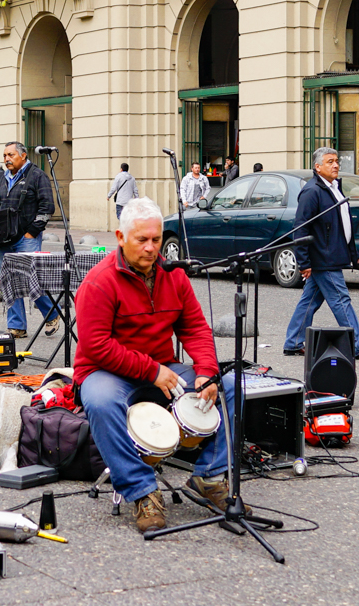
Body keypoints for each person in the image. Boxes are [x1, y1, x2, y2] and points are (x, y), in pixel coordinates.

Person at [73, 197, 239, 532]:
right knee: (101, 401)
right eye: (142, 240)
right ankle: (142, 491)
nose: (151, 248)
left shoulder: (173, 277)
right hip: (106, 372)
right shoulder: (99, 281)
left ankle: (208, 477)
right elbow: (96, 345)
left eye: (157, 240)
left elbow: (194, 328)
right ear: (120, 237)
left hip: (161, 368)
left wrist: (206, 371)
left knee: (230, 386)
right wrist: (151, 370)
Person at [282, 147, 359, 360]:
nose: (336, 165)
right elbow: (301, 228)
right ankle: (358, 344)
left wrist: (351, 251)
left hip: (333, 254)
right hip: (323, 257)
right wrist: (304, 262)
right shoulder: (312, 191)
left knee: (309, 301)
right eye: (330, 162)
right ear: (317, 167)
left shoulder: (334, 187)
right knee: (341, 299)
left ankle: (293, 342)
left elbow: (343, 222)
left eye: (336, 161)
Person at [0, 142, 60, 339]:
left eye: (10, 155)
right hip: (4, 238)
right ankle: (17, 326)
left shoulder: (37, 175)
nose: (6, 159)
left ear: (23, 155)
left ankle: (52, 314)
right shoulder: (1, 177)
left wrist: (32, 231)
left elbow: (47, 206)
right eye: (4, 155)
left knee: (32, 281)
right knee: (9, 281)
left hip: (26, 237)